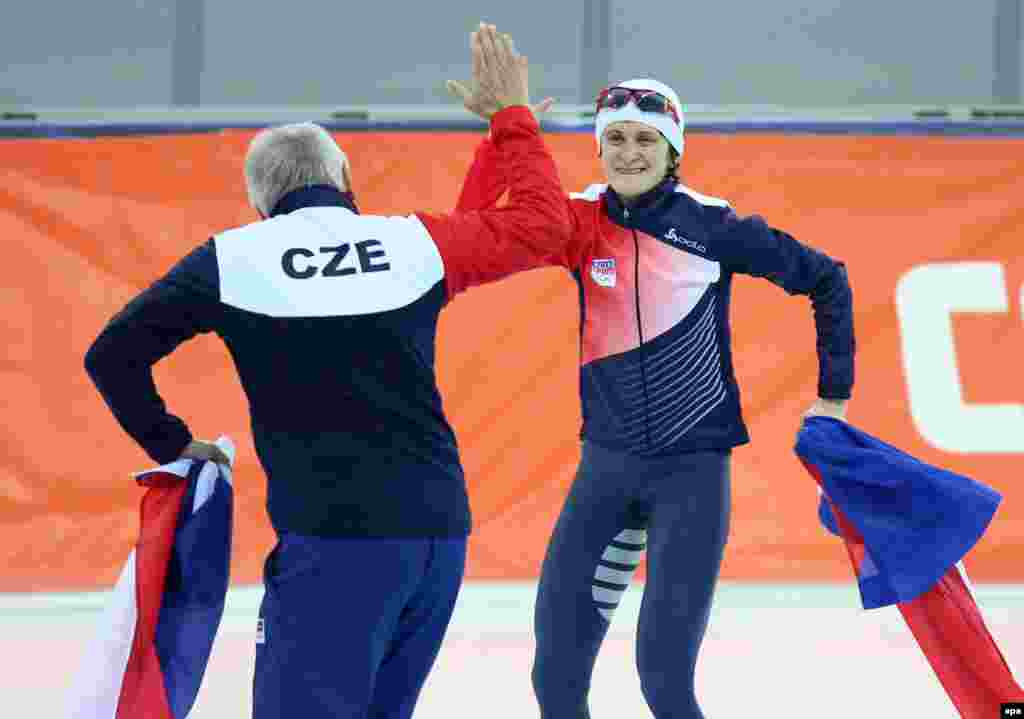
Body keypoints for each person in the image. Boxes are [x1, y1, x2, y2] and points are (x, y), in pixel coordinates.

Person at [84, 24, 571, 719]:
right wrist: (510, 124)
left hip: (335, 546)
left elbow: (111, 354)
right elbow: (537, 225)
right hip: (438, 539)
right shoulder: (411, 244)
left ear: (259, 204)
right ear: (346, 182)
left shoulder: (232, 258)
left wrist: (169, 442)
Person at [450, 73, 855, 718]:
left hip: (691, 477)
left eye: (645, 139)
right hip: (605, 470)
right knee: (554, 678)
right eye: (615, 138)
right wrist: (502, 135)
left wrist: (834, 394)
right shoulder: (576, 224)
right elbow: (471, 229)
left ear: (673, 151)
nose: (629, 152)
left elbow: (828, 280)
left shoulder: (713, 226)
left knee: (663, 681)